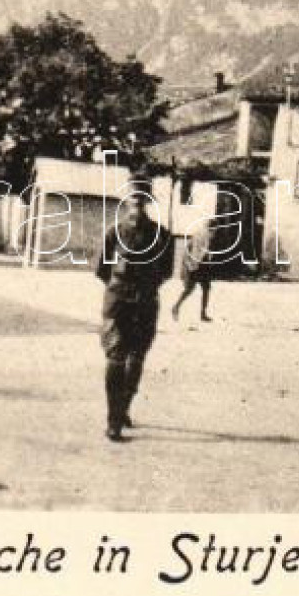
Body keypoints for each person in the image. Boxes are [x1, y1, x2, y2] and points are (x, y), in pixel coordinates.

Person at [94, 189, 175, 443]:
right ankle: (113, 421)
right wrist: (120, 285)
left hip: (145, 302)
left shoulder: (162, 236)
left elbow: (166, 271)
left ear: (148, 204)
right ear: (126, 203)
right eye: (132, 202)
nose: (136, 208)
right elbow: (101, 269)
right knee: (116, 356)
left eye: (142, 202)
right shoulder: (113, 232)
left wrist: (144, 286)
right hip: (117, 302)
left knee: (137, 357)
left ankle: (124, 407)